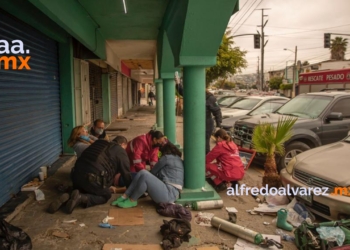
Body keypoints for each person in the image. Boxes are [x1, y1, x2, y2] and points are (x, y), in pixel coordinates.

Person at [47, 136, 132, 214]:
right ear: (123, 144)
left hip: (75, 175)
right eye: (125, 148)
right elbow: (126, 174)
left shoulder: (99, 143)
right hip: (92, 179)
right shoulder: (120, 151)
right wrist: (131, 191)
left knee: (85, 187)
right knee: (105, 195)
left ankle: (69, 195)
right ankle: (81, 198)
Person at [111, 142, 184, 208]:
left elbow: (152, 172)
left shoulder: (166, 158)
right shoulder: (176, 159)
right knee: (142, 172)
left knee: (145, 175)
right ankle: (125, 196)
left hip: (169, 194)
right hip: (171, 193)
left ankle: (132, 200)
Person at [206, 89, 222, 154]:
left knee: (205, 143)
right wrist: (178, 84)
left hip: (207, 124)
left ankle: (205, 159)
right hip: (202, 123)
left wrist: (218, 125)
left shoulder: (210, 98)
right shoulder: (192, 94)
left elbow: (217, 111)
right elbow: (183, 93)